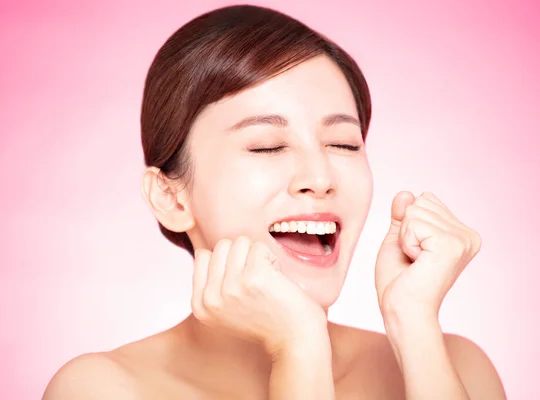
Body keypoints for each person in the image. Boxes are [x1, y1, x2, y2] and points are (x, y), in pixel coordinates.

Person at [43, 4, 506, 399]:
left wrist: (414, 327)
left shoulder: (453, 367)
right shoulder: (105, 388)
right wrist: (298, 349)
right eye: (267, 146)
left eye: (343, 144)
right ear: (170, 197)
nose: (320, 177)